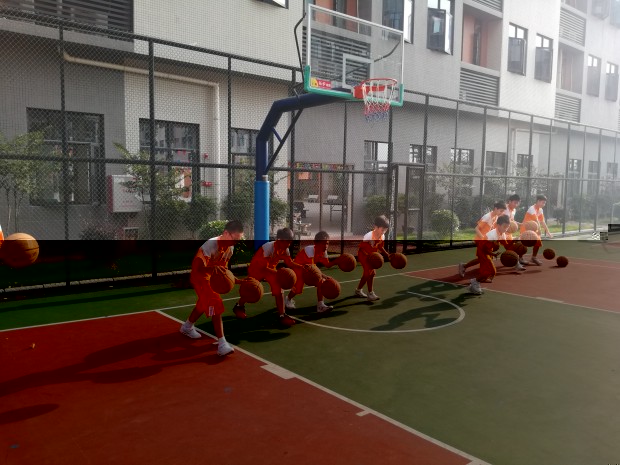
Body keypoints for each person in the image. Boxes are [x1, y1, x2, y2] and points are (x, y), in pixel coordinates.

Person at [179, 220, 244, 357]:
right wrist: (213, 268)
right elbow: (197, 268)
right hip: (199, 277)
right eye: (234, 239)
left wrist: (238, 281)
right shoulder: (210, 245)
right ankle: (222, 344)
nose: (235, 243)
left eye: (238, 240)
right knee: (215, 302)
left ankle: (187, 327)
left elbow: (224, 272)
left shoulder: (230, 248)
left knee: (203, 303)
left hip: (211, 279)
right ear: (226, 233)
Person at [232, 227, 302, 327]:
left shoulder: (285, 249)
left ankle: (282, 316)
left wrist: (302, 267)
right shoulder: (268, 247)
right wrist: (280, 273)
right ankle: (239, 306)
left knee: (279, 288)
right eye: (288, 242)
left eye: (290, 242)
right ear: (280, 240)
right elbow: (263, 268)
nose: (289, 244)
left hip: (270, 270)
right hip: (257, 269)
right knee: (251, 289)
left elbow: (290, 263)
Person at [285, 230, 340, 313]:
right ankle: (288, 299)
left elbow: (327, 264)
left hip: (308, 269)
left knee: (321, 281)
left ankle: (320, 305)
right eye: (323, 243)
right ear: (316, 243)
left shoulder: (323, 251)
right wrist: (325, 276)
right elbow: (312, 270)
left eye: (327, 243)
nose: (325, 246)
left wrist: (339, 261)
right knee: (297, 289)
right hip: (298, 268)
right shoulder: (309, 250)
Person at [458, 201, 507, 277]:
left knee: (484, 258)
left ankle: (467, 267)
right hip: (481, 240)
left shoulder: (495, 217)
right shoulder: (487, 217)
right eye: (501, 211)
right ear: (495, 208)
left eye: (503, 211)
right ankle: (470, 269)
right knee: (485, 258)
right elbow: (476, 229)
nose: (502, 213)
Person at [468, 215, 511, 295]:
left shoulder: (502, 233)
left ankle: (476, 281)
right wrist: (493, 254)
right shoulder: (492, 235)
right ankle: (474, 283)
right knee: (489, 271)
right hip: (482, 251)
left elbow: (506, 244)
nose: (506, 229)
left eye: (507, 227)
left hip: (488, 251)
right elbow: (484, 249)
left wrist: (516, 241)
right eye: (505, 226)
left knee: (492, 272)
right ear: (498, 225)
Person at [355, 215, 390, 302]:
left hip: (372, 256)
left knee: (372, 273)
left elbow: (380, 247)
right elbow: (361, 248)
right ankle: (369, 293)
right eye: (382, 229)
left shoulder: (382, 236)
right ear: (376, 227)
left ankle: (359, 291)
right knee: (368, 273)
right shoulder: (369, 236)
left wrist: (387, 254)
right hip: (363, 255)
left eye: (386, 230)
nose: (384, 231)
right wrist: (369, 256)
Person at [521, 194, 553, 265]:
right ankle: (520, 258)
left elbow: (542, 221)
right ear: (538, 201)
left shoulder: (540, 210)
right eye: (543, 202)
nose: (544, 204)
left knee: (538, 242)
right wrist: (539, 230)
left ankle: (533, 258)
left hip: (534, 228)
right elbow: (537, 221)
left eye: (545, 203)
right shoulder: (532, 209)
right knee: (524, 244)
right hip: (525, 228)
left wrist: (548, 232)